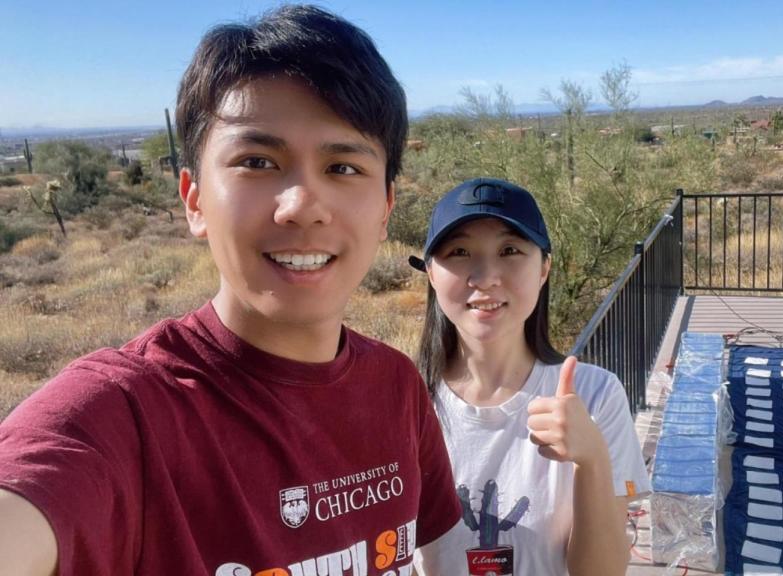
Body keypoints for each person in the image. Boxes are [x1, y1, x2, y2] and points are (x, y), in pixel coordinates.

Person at [0, 6, 460, 575]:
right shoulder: (123, 417)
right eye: (257, 161)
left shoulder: (396, 388)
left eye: (343, 168)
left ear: (385, 208)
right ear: (194, 200)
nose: (302, 206)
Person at [410, 178, 651, 576]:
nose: (486, 277)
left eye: (509, 251)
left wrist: (591, 459)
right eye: (459, 252)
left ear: (544, 268)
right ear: (431, 273)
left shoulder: (595, 394)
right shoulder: (405, 401)